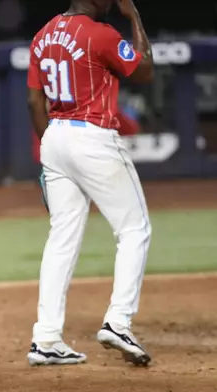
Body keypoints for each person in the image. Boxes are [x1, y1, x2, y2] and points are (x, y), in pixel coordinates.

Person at [25, 0, 154, 367]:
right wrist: (135, 16)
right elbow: (144, 71)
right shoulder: (100, 34)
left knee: (61, 237)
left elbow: (34, 100)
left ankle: (46, 337)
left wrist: (49, 151)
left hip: (55, 136)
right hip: (93, 135)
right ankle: (119, 321)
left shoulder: (42, 34)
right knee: (134, 229)